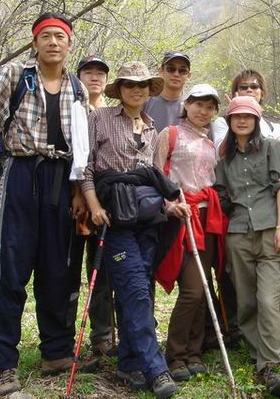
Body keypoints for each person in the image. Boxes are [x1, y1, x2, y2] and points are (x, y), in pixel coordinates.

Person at [0, 13, 89, 396]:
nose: (53, 42)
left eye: (60, 37)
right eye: (46, 36)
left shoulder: (77, 88)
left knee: (58, 271)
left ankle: (56, 352)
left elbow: (81, 146)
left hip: (62, 180)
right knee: (13, 270)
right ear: (35, 42)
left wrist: (80, 190)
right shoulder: (15, 75)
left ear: (69, 44)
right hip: (21, 175)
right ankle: (4, 363)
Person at [81, 61, 177, 398]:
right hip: (114, 219)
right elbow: (87, 167)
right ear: (119, 89)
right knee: (135, 289)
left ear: (149, 90)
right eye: (129, 84)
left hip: (147, 219)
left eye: (142, 85)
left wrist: (169, 205)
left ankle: (129, 362)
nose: (136, 90)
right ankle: (156, 369)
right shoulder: (100, 118)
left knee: (139, 290)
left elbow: (152, 174)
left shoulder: (151, 127)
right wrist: (94, 206)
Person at [214, 96, 280, 398]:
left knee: (268, 300)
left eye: (248, 116)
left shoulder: (271, 147)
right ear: (230, 122)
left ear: (257, 120)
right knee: (246, 301)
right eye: (237, 116)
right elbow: (223, 198)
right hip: (238, 235)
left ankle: (273, 366)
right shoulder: (225, 160)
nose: (243, 120)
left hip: (270, 231)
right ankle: (259, 353)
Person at [153, 84, 223, 382]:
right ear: (187, 104)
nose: (203, 111)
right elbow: (156, 174)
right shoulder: (170, 134)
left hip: (207, 216)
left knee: (203, 288)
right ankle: (176, 354)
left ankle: (194, 352)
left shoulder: (211, 143)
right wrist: (169, 205)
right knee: (193, 290)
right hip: (179, 215)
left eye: (209, 107)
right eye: (198, 104)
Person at [69, 55, 116, 357]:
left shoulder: (112, 114)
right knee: (70, 271)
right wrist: (76, 193)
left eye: (100, 73)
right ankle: (64, 338)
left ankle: (103, 335)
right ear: (79, 77)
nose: (95, 77)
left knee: (101, 269)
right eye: (88, 72)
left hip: (105, 201)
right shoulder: (71, 108)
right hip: (75, 202)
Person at [144, 51, 191, 132]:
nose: (176, 74)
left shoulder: (192, 106)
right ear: (161, 71)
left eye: (182, 71)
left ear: (188, 76)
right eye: (171, 69)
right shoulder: (145, 101)